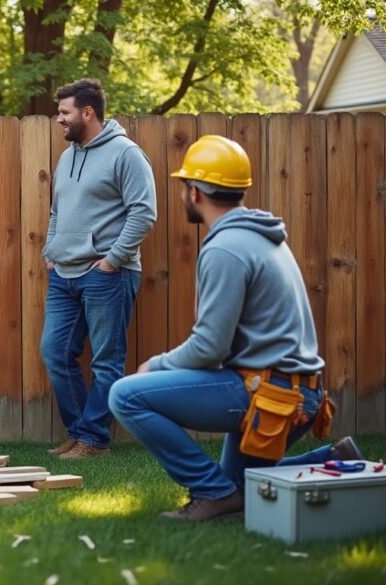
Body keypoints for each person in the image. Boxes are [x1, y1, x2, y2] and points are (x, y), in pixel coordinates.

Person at [109, 135, 362, 521]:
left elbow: (210, 348)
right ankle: (331, 459)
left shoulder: (226, 248)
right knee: (241, 489)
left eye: (184, 187)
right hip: (295, 392)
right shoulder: (263, 237)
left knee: (126, 395)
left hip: (269, 394)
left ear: (194, 193)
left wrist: (155, 365)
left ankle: (209, 492)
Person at [41, 79, 158, 460]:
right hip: (64, 273)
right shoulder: (67, 156)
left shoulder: (126, 154)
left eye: (64, 113)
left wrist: (112, 260)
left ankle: (94, 440)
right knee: (55, 354)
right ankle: (79, 435)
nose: (59, 119)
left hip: (107, 274)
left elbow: (144, 213)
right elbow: (58, 209)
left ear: (87, 113)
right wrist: (52, 249)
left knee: (106, 360)